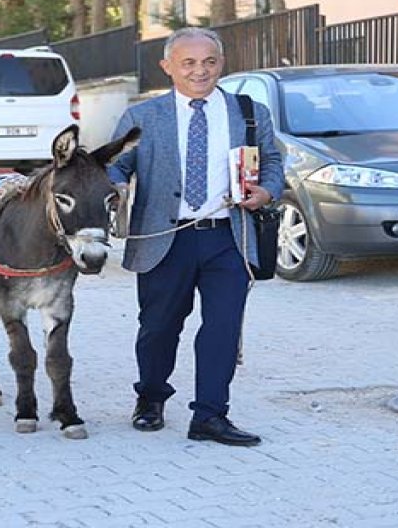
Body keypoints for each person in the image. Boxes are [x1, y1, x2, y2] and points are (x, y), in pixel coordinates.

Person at [107, 27, 284, 446]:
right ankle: (150, 398)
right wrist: (109, 189)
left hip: (229, 236)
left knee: (222, 328)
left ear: (221, 64)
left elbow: (273, 160)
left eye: (209, 61)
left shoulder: (248, 111)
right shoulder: (143, 117)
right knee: (159, 327)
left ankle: (209, 415)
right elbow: (116, 166)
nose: (200, 71)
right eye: (188, 63)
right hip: (165, 237)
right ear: (168, 67)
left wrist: (267, 191)